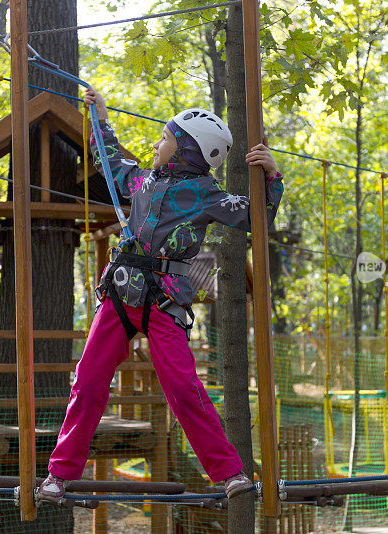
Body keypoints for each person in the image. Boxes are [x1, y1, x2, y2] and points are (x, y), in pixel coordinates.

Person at [37, 88, 284, 503]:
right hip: (119, 295)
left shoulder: (207, 195)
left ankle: (229, 473)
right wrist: (99, 117)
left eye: (167, 138)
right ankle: (58, 476)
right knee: (88, 380)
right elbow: (107, 156)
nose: (157, 143)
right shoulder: (141, 180)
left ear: (188, 149)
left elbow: (255, 217)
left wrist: (271, 176)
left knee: (183, 387)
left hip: (164, 301)